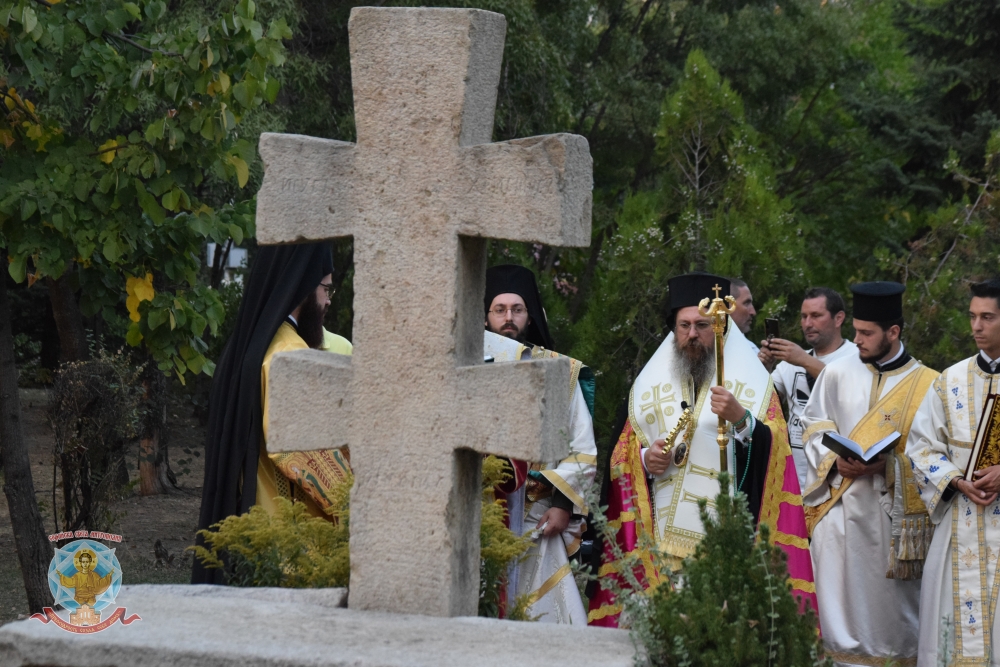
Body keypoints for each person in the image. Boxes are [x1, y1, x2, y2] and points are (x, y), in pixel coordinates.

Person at [588, 273, 815, 627]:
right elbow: (621, 455)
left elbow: (777, 455)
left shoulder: (753, 382)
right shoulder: (647, 385)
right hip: (659, 537)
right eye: (684, 326)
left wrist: (742, 419)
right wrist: (647, 460)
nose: (692, 334)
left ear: (720, 327)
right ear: (674, 328)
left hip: (725, 535)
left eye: (702, 325)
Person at [193, 243, 352, 584]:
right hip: (292, 553)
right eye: (326, 288)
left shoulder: (248, 348)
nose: (327, 301)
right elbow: (313, 460)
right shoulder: (290, 358)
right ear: (305, 287)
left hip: (253, 534)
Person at [800, 281, 938, 667]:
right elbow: (813, 426)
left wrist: (891, 466)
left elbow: (937, 457)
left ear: (893, 332)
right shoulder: (836, 373)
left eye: (866, 333)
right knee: (832, 621)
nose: (856, 340)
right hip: (838, 518)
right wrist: (832, 461)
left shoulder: (929, 384)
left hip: (890, 525)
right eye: (856, 330)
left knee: (891, 631)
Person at [483, 264, 597, 625]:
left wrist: (563, 506)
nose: (508, 318)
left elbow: (583, 447)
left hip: (538, 516)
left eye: (517, 309)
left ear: (530, 316)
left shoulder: (560, 373)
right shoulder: (466, 370)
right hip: (480, 514)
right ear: (485, 317)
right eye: (499, 310)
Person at [907, 279, 1000, 667]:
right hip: (960, 524)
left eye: (988, 317)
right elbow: (922, 446)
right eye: (972, 317)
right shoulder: (950, 380)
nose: (976, 326)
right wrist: (956, 480)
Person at [759, 287, 857, 487]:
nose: (807, 324)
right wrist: (764, 367)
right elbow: (763, 402)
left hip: (838, 479)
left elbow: (851, 394)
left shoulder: (856, 356)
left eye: (816, 316)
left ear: (838, 319)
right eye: (804, 317)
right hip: (794, 479)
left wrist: (805, 361)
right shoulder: (790, 362)